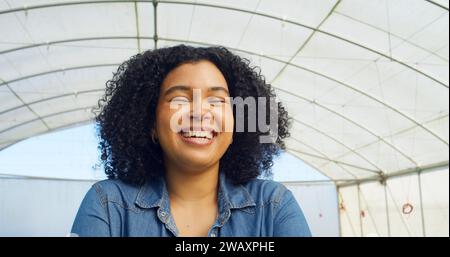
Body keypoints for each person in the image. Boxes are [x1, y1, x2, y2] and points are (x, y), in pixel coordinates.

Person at [71, 45, 311, 237]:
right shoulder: (108, 205)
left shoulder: (273, 206)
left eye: (217, 101)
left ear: (236, 123)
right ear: (151, 123)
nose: (199, 112)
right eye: (179, 100)